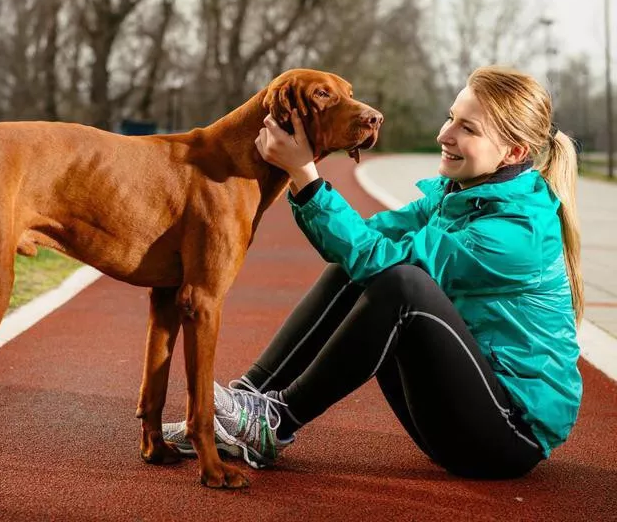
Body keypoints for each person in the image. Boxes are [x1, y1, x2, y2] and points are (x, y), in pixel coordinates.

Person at [162, 66, 583, 479]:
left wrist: (305, 176)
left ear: (513, 153)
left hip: (506, 436)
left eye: (467, 129)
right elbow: (361, 244)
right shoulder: (456, 197)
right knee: (362, 267)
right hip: (459, 411)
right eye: (451, 117)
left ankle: (277, 423)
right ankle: (247, 401)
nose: (444, 134)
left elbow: (384, 263)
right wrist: (304, 174)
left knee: (401, 281)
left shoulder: (515, 232)